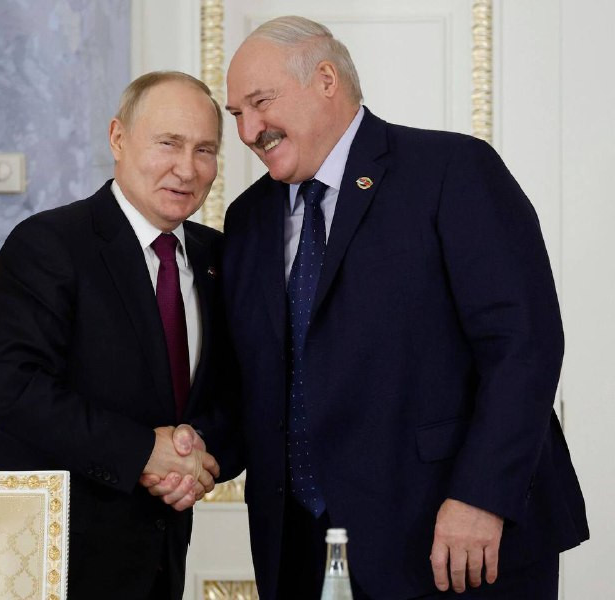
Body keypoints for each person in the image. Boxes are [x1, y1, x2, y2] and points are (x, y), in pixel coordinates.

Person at [222, 16, 588, 600]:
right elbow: (252, 379)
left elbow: (523, 344)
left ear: (325, 80)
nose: (248, 130)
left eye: (260, 103)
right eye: (236, 113)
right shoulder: (246, 219)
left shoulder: (451, 170)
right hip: (300, 553)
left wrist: (482, 496)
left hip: (454, 544)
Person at [0, 71, 238, 600]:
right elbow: (12, 388)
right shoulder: (49, 243)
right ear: (118, 138)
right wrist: (143, 452)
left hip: (162, 557)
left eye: (205, 150)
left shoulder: (220, 257)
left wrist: (196, 457)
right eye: (168, 143)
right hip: (52, 554)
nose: (187, 168)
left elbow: (240, 392)